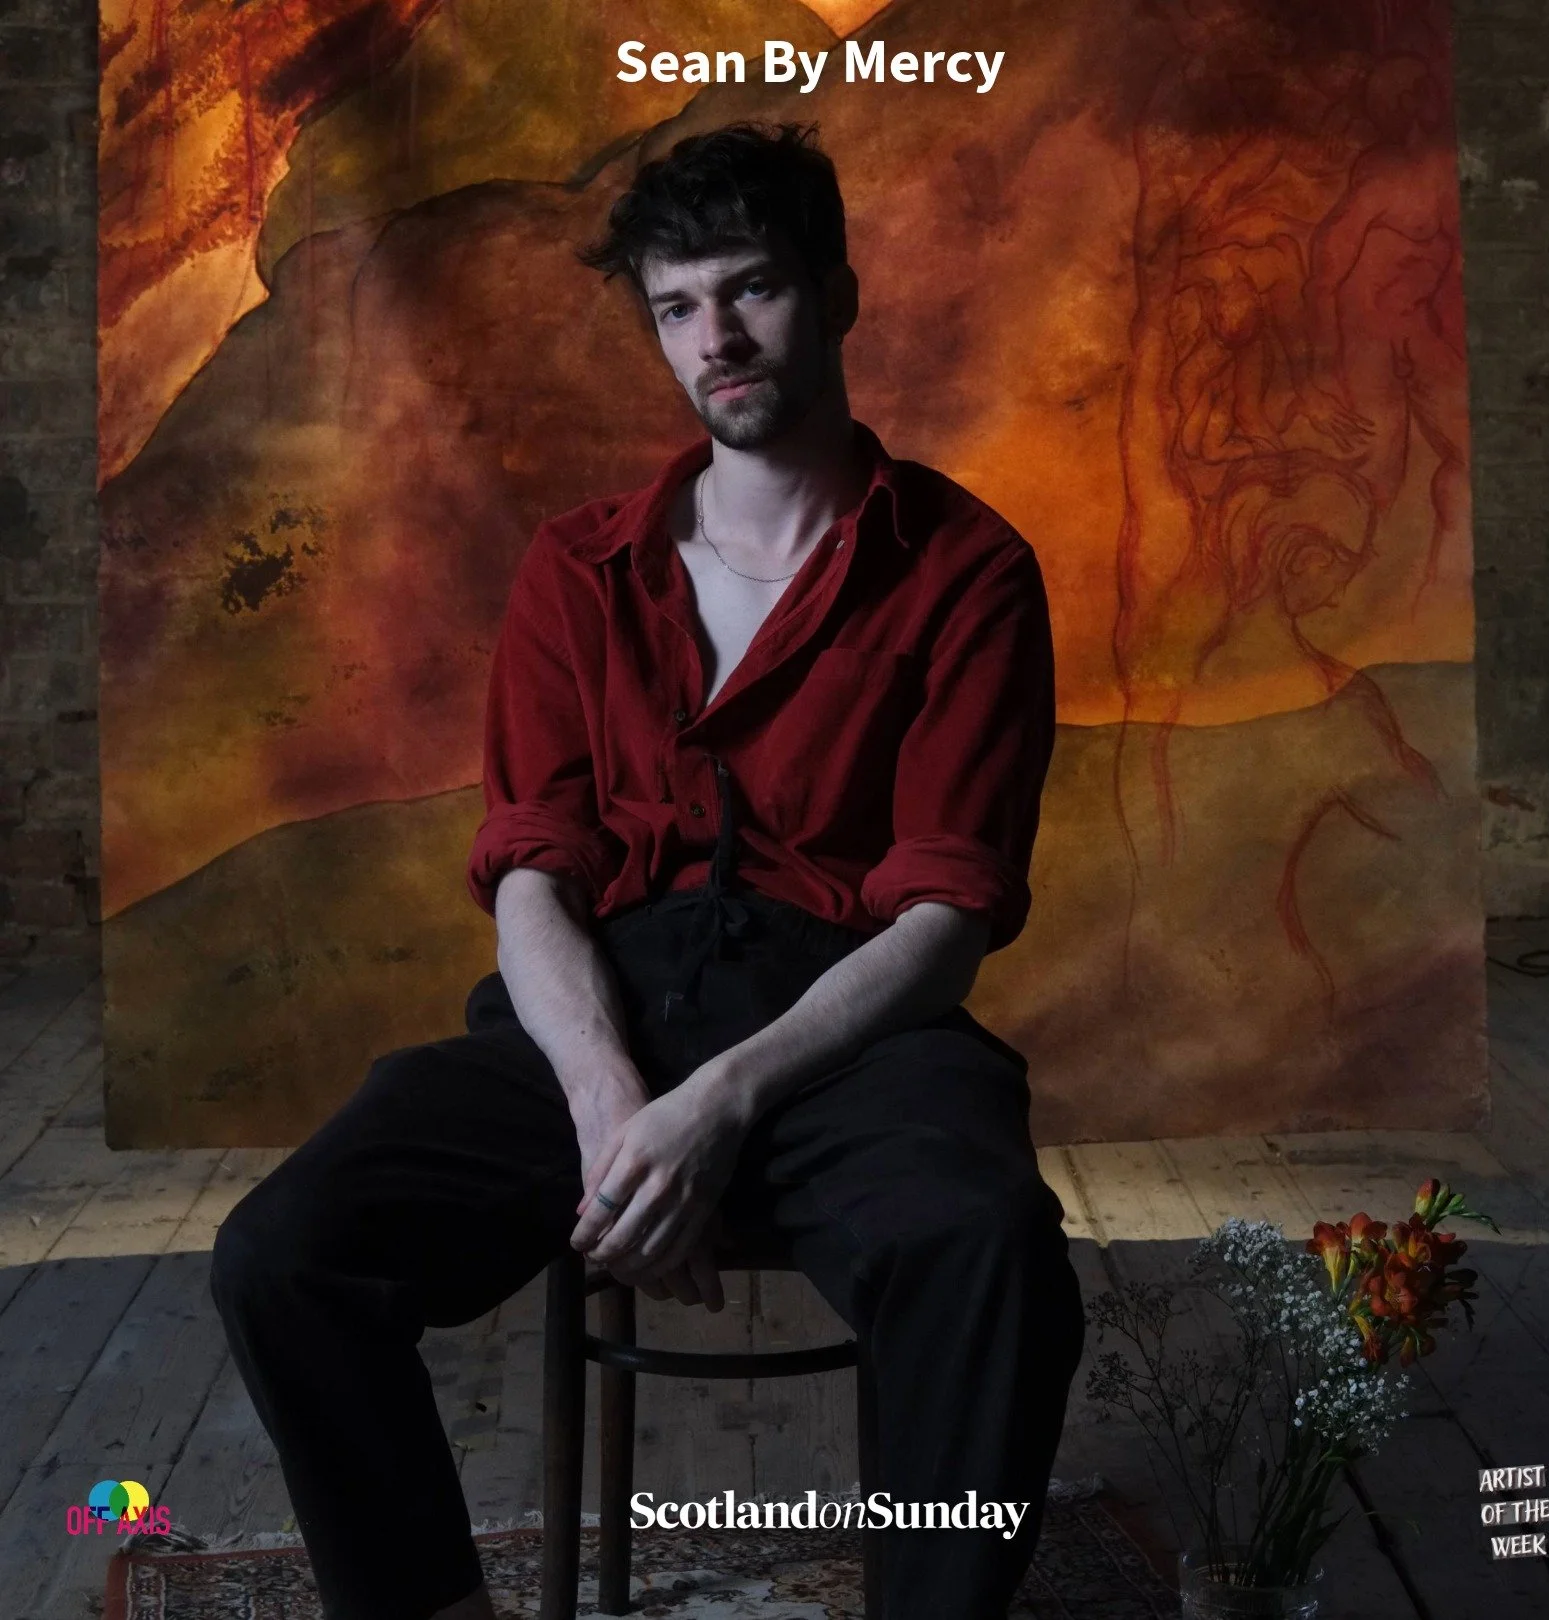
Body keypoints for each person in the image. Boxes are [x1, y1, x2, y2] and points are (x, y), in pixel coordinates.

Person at [210, 119, 1085, 1620]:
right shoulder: (579, 569)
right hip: (600, 1004)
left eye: (752, 288)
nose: (715, 338)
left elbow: (949, 916)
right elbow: (533, 874)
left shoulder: (968, 569)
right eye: (677, 307)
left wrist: (721, 1103)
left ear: (837, 295)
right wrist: (613, 1102)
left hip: (849, 1027)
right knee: (282, 1254)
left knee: (991, 1247)